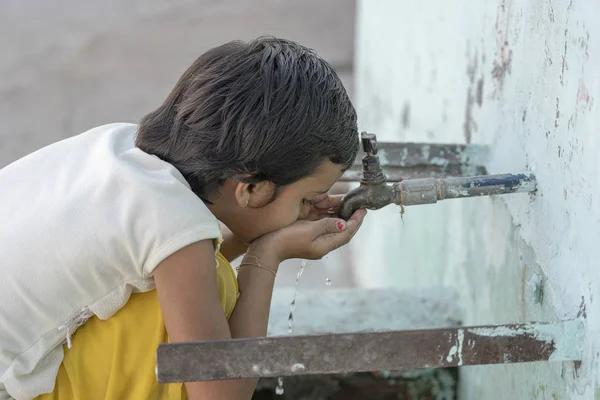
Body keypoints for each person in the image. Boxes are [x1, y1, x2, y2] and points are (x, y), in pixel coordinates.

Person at [0, 36, 366, 400]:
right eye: (305, 198)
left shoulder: (122, 147)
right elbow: (219, 394)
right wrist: (266, 256)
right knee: (215, 281)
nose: (307, 207)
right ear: (251, 189)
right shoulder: (173, 222)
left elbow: (178, 241)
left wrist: (264, 231)